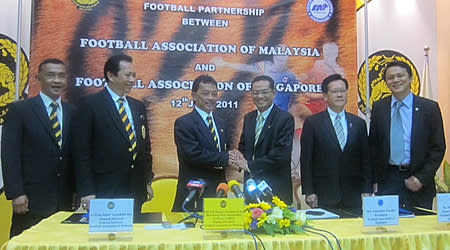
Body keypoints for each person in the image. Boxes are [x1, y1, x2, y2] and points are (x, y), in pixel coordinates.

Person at [1, 58, 75, 237]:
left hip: (63, 201)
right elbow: (10, 154)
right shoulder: (20, 110)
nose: (56, 81)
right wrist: (16, 193)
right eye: (51, 75)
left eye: (61, 76)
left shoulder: (73, 111)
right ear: (38, 78)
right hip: (30, 201)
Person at [72, 54, 154, 212]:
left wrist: (147, 181)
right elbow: (81, 152)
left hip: (135, 190)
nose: (132, 80)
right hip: (105, 191)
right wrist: (87, 191)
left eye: (134, 75)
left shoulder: (138, 107)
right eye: (127, 75)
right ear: (110, 75)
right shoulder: (91, 105)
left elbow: (145, 147)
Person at [369, 61, 445, 210]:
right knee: (388, 229)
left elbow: (438, 147)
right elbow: (373, 146)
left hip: (418, 180)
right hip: (388, 180)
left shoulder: (429, 108)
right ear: (386, 82)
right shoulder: (379, 108)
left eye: (400, 75)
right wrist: (374, 181)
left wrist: (422, 177)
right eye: (390, 77)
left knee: (419, 228)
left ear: (410, 78)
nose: (396, 80)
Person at [300, 74, 372, 213]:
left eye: (342, 91)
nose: (339, 95)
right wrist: (309, 191)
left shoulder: (358, 123)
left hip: (353, 194)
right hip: (325, 193)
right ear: (325, 96)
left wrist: (367, 188)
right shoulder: (313, 123)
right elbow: (306, 160)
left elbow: (365, 158)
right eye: (334, 91)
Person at [172, 75, 233, 212]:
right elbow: (193, 155)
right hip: (194, 191)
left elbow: (224, 150)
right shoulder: (184, 123)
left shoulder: (221, 123)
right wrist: (228, 159)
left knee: (218, 232)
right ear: (193, 95)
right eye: (205, 94)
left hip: (218, 190)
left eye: (214, 94)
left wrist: (235, 158)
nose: (211, 98)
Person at [233, 75, 294, 204]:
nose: (260, 96)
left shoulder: (285, 119)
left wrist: (249, 165)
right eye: (255, 93)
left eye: (264, 92)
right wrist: (237, 158)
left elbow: (280, 155)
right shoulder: (249, 118)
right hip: (251, 188)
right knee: (251, 222)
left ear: (274, 93)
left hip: (275, 190)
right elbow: (244, 146)